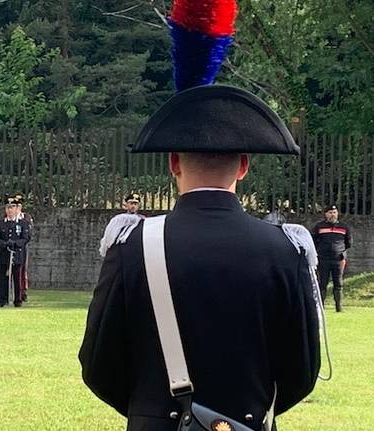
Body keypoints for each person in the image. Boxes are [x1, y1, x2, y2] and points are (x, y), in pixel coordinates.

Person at [79, 2, 320, 429]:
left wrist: (152, 412)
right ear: (244, 165)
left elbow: (98, 362)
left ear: (173, 162)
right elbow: (302, 371)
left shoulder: (132, 244)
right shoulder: (286, 250)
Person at [311, 205, 352, 312]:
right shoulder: (319, 227)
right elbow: (313, 241)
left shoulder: (344, 227)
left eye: (334, 212)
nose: (332, 215)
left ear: (337, 213)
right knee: (322, 283)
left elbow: (348, 243)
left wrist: (341, 253)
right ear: (325, 214)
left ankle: (339, 307)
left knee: (338, 283)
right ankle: (321, 307)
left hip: (338, 259)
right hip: (322, 259)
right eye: (330, 212)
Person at [0, 196, 31, 307]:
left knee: (17, 278)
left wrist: (15, 243)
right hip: (4, 254)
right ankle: (2, 300)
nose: (10, 210)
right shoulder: (1, 224)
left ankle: (18, 300)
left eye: (12, 207)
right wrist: (4, 244)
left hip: (17, 254)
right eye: (8, 207)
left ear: (16, 209)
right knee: (2, 278)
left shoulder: (23, 223)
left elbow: (26, 238)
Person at [14, 194, 33, 302]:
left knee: (23, 270)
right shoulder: (9, 216)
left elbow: (28, 232)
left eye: (19, 205)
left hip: (22, 247)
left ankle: (23, 291)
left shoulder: (26, 217)